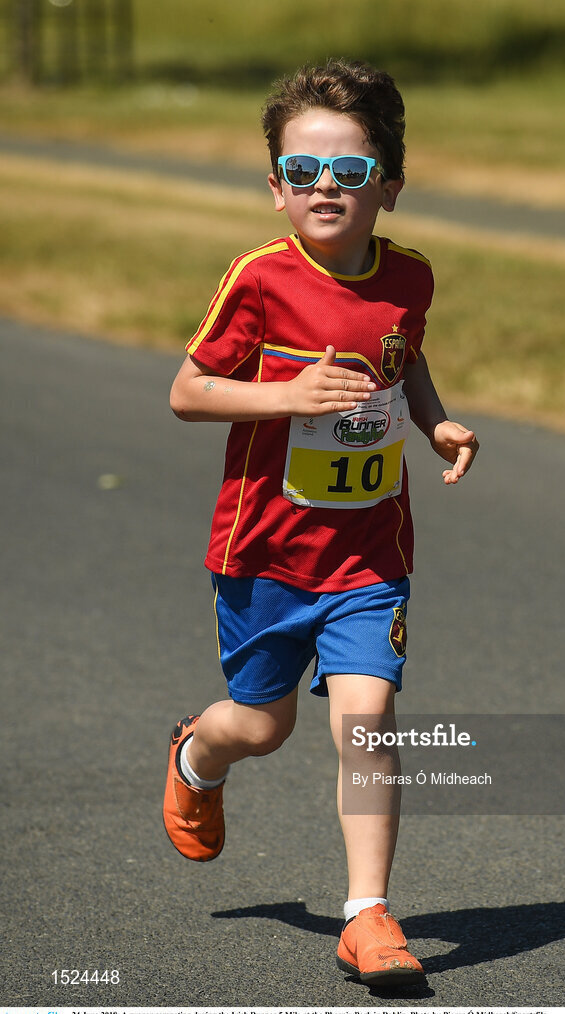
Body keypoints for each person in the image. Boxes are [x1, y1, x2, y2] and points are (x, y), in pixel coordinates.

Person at [163, 58, 478, 987]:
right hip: (263, 553)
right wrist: (285, 393)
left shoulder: (409, 277)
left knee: (368, 721)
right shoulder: (259, 280)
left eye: (349, 169)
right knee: (261, 727)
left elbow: (403, 357)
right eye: (303, 172)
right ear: (276, 188)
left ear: (389, 183)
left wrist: (434, 421)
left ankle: (367, 915)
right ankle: (195, 754)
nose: (326, 188)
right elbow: (185, 392)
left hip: (369, 551)